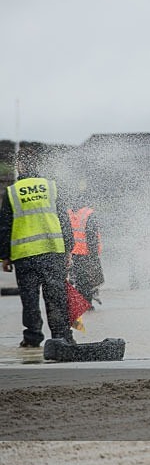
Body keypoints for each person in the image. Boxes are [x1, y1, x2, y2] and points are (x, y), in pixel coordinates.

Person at [0, 149, 76, 347]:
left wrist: (4, 257)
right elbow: (64, 220)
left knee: (30, 300)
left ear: (20, 166)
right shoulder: (51, 187)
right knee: (56, 297)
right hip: (52, 252)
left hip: (25, 256)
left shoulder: (12, 192)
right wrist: (69, 249)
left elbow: (5, 225)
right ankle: (61, 337)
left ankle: (32, 338)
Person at [68, 203, 104, 306]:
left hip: (73, 253)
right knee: (86, 280)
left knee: (78, 280)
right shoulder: (89, 214)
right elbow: (92, 236)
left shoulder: (68, 213)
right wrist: (94, 256)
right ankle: (87, 303)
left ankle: (82, 304)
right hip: (85, 253)